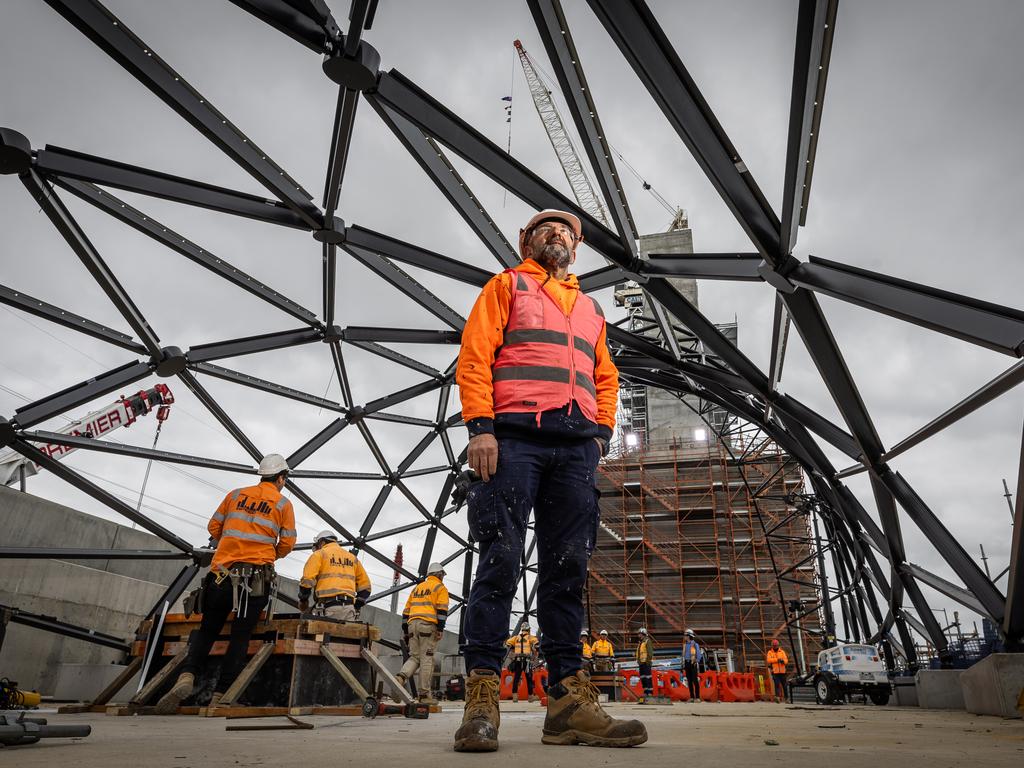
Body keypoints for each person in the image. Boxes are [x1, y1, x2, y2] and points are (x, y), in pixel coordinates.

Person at [453, 209, 646, 751]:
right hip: (512, 439)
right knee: (500, 559)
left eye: (566, 231)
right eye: (546, 228)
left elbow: (604, 375)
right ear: (526, 241)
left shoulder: (589, 309)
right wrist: (480, 429)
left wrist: (601, 433)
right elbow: (475, 356)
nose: (557, 234)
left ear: (577, 247)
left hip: (574, 448)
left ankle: (567, 704)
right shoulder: (506, 286)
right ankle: (483, 697)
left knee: (568, 570)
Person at [155, 454, 296, 715]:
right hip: (254, 579)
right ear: (280, 478)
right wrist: (265, 554)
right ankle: (221, 693)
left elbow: (214, 526)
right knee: (240, 636)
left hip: (221, 574)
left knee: (208, 630)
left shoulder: (235, 495)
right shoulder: (283, 503)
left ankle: (187, 676)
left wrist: (230, 548)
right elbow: (287, 543)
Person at [398, 562, 449, 705]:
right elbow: (442, 610)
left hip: (412, 625)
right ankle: (424, 695)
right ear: (439, 574)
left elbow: (406, 611)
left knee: (415, 657)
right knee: (427, 659)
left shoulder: (417, 588)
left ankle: (400, 677)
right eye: (442, 575)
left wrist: (405, 631)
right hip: (427, 625)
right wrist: (440, 628)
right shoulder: (440, 588)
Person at [298, 530, 370, 620]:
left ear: (322, 542)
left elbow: (307, 579)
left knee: (320, 633)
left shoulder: (320, 554)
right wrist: (356, 606)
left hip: (327, 607)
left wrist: (303, 600)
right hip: (349, 609)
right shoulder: (352, 558)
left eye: (317, 546)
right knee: (343, 634)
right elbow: (366, 587)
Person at [505, 624, 539, 702]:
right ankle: (530, 697)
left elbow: (508, 644)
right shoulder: (530, 637)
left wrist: (514, 649)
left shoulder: (516, 638)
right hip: (526, 661)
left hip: (518, 660)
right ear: (528, 630)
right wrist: (534, 650)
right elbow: (537, 645)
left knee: (516, 678)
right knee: (529, 679)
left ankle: (515, 697)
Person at [682, 628, 702, 702]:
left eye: (685, 635)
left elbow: (699, 655)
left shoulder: (695, 644)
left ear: (689, 636)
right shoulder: (685, 645)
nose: (684, 637)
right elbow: (683, 655)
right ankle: (692, 697)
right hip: (687, 663)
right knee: (689, 681)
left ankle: (697, 697)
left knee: (695, 680)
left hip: (693, 663)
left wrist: (696, 661)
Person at [767, 639, 789, 703]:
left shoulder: (782, 652)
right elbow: (769, 660)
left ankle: (786, 698)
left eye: (776, 645)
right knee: (777, 685)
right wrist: (777, 660)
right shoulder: (770, 652)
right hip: (775, 672)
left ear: (778, 645)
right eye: (774, 645)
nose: (775, 646)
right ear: (772, 646)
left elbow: (786, 660)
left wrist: (783, 661)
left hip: (783, 672)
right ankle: (777, 697)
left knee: (784, 685)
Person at [635, 628, 654, 698]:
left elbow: (650, 652)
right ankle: (646, 692)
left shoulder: (647, 641)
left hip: (646, 663)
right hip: (641, 663)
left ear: (643, 634)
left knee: (648, 677)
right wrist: (638, 660)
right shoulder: (640, 642)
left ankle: (650, 692)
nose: (638, 635)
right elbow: (639, 653)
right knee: (643, 677)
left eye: (639, 634)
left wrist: (648, 661)